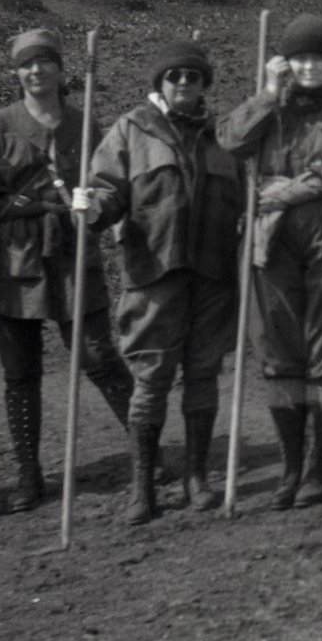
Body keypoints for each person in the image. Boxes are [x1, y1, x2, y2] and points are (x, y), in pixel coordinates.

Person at [217, 15, 322, 509]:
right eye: (300, 58)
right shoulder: (271, 108)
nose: (309, 66)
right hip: (272, 237)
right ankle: (290, 467)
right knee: (278, 346)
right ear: (286, 63)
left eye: (319, 57)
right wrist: (269, 92)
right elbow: (230, 141)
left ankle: (317, 467)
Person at [0, 28, 136, 513]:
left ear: (60, 69)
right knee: (21, 372)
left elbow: (111, 188)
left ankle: (146, 450)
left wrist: (95, 202)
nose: (36, 72)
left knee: (99, 355)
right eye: (26, 65)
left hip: (72, 253)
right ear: (16, 74)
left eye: (44, 63)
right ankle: (28, 474)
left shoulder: (84, 124)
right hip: (11, 259)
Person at [81, 41, 243, 523]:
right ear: (159, 84)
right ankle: (143, 486)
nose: (184, 85)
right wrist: (93, 206)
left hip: (213, 272)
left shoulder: (224, 135)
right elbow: (108, 189)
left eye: (193, 77)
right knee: (151, 379)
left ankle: (197, 476)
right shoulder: (131, 130)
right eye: (174, 77)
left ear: (204, 84)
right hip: (154, 272)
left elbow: (246, 194)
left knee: (203, 372)